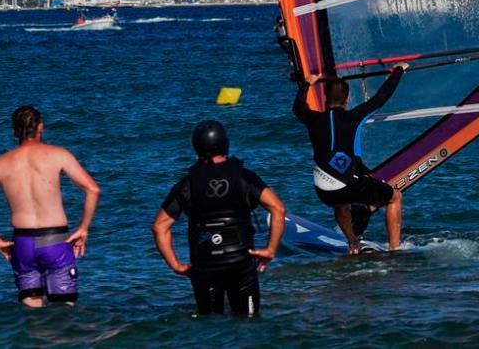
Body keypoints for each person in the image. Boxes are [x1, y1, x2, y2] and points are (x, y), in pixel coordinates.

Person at [0, 106, 101, 308]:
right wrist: (83, 229)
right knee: (63, 312)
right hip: (55, 241)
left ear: (14, 131)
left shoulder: (0, 163)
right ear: (41, 127)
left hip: (22, 245)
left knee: (32, 316)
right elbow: (93, 189)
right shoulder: (58, 154)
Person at [152, 120, 286, 317]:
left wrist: (176, 265)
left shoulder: (187, 183)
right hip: (240, 263)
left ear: (196, 146)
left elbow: (159, 227)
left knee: (209, 322)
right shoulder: (244, 176)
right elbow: (278, 208)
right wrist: (270, 249)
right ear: (225, 143)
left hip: (204, 266)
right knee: (248, 321)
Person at [293, 64, 407, 252]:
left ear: (325, 97)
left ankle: (353, 243)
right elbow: (380, 98)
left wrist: (307, 84)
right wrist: (398, 72)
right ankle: (395, 249)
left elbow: (298, 107)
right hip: (347, 184)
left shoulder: (312, 119)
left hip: (322, 187)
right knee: (394, 197)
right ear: (347, 99)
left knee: (340, 203)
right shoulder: (354, 116)